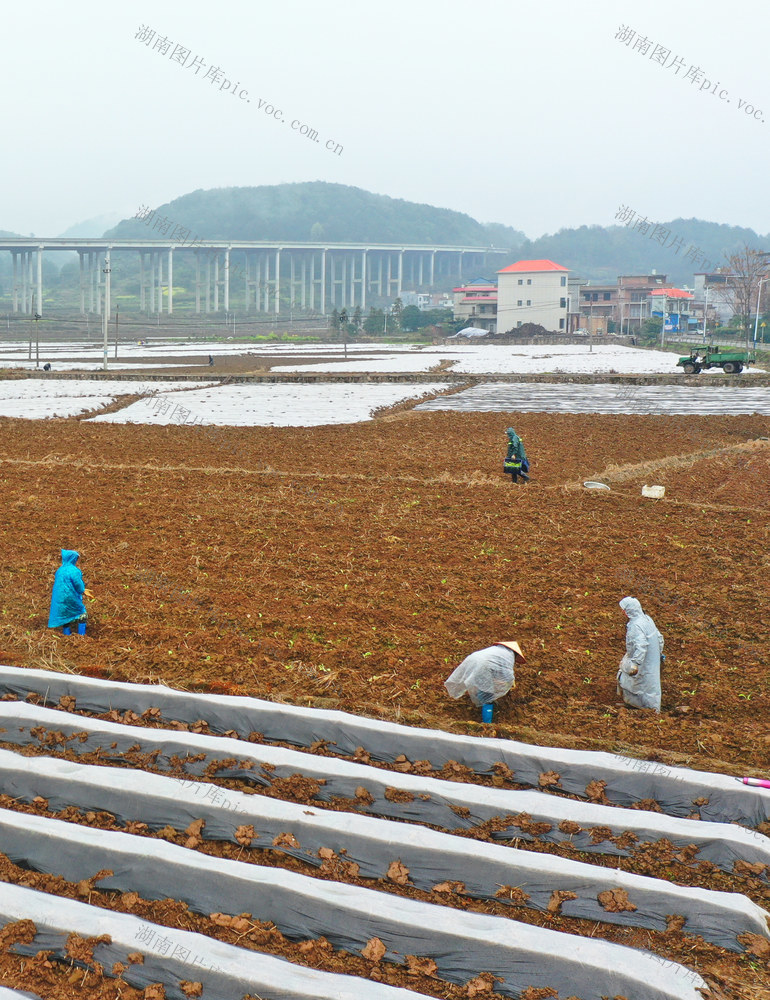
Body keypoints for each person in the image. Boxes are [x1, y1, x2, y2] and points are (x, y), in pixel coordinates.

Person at [444, 641, 526, 721]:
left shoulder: (496, 651)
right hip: (483, 665)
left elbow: (496, 671)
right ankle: (487, 723)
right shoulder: (509, 655)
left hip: (473, 659)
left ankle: (481, 704)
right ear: (515, 653)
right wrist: (509, 684)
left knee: (483, 689)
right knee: (488, 697)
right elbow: (507, 675)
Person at [617, 597, 664, 711]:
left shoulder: (635, 626)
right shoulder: (647, 619)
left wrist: (635, 663)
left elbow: (641, 645)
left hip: (643, 660)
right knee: (648, 683)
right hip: (651, 658)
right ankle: (636, 704)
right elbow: (660, 638)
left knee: (640, 683)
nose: (623, 612)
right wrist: (659, 654)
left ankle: (647, 709)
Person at [48, 550, 92, 636]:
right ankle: (81, 636)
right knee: (82, 614)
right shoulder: (74, 571)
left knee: (65, 616)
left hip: (59, 598)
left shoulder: (59, 570)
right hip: (70, 597)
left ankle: (66, 635)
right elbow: (78, 584)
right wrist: (83, 590)